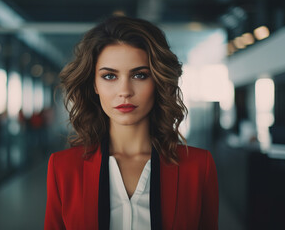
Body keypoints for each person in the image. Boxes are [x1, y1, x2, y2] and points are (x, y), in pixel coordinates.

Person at [44, 16, 219, 230]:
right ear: (94, 86)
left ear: (158, 82)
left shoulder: (199, 167)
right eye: (109, 76)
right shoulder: (63, 168)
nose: (125, 91)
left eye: (139, 75)